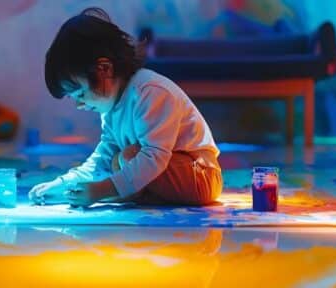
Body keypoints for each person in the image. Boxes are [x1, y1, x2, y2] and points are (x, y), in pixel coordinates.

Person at [29, 7, 222, 207]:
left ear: (104, 69)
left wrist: (100, 190)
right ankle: (125, 194)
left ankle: (128, 194)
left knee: (129, 158)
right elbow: (101, 160)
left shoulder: (150, 91)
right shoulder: (112, 108)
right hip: (173, 173)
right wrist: (61, 185)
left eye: (80, 93)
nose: (79, 104)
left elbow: (154, 157)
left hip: (202, 174)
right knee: (115, 161)